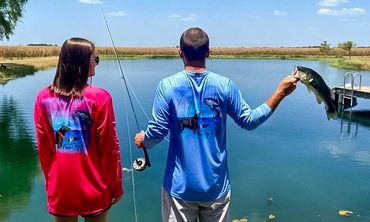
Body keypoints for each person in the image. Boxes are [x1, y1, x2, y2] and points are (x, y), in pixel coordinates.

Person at [134, 27, 298, 222]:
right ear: (208, 53)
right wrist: (280, 93)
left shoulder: (167, 86)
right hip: (216, 189)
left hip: (179, 189)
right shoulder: (224, 85)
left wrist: (143, 139)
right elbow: (250, 121)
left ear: (180, 52)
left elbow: (156, 133)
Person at [34, 37, 123, 222]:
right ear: (82, 62)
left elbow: (44, 148)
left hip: (60, 186)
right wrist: (116, 186)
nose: (96, 63)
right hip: (95, 187)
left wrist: (49, 179)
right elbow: (109, 149)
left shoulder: (43, 97)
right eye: (94, 58)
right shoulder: (100, 97)